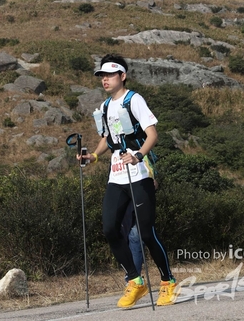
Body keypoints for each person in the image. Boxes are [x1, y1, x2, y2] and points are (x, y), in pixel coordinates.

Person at [79, 54, 177, 309]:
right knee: (110, 229)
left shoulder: (134, 100)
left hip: (140, 174)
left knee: (146, 233)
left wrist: (138, 156)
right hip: (116, 176)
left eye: (110, 75)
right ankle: (135, 281)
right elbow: (107, 138)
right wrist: (93, 156)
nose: (105, 80)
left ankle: (168, 281)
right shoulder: (105, 106)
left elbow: (152, 134)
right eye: (102, 76)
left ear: (122, 76)